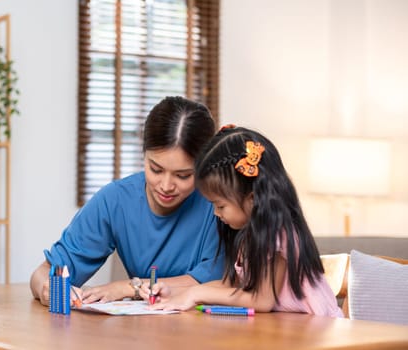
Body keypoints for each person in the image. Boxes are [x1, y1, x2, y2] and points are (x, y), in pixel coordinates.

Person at [30, 96, 225, 306]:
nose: (166, 185)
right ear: (143, 155)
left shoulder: (220, 204)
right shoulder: (116, 200)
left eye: (183, 175)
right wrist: (49, 289)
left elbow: (214, 281)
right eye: (156, 169)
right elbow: (42, 274)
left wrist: (128, 287)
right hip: (142, 333)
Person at [149, 124, 343, 317]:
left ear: (252, 198)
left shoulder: (276, 232)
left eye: (221, 205)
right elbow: (230, 285)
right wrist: (177, 294)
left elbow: (262, 300)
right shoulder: (248, 233)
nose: (216, 213)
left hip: (318, 331)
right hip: (287, 326)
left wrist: (196, 293)